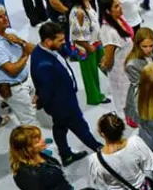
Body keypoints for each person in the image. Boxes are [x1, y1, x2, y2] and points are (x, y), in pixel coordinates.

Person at [30, 21, 102, 165]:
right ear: (48, 41)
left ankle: (66, 155)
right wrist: (40, 102)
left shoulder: (41, 50)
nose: (64, 42)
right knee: (80, 126)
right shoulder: (44, 65)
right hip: (63, 104)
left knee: (60, 127)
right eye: (60, 40)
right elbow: (45, 89)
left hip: (62, 99)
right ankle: (98, 148)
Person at [0, 5, 38, 126]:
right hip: (14, 88)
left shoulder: (10, 32)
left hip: (27, 79)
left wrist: (21, 42)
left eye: (5, 15)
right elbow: (12, 70)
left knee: (33, 111)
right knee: (29, 121)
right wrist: (25, 54)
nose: (5, 19)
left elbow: (33, 49)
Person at [69, 0, 109, 106]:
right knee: (90, 74)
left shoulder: (87, 3)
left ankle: (118, 83)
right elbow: (76, 36)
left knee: (105, 63)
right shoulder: (78, 12)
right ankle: (94, 97)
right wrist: (88, 47)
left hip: (96, 42)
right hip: (86, 48)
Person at [99, 0, 134, 117]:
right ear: (108, 11)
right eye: (116, 6)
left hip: (129, 66)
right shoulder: (109, 32)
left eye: (120, 4)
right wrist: (104, 64)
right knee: (124, 100)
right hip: (121, 73)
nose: (120, 8)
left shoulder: (119, 19)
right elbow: (108, 60)